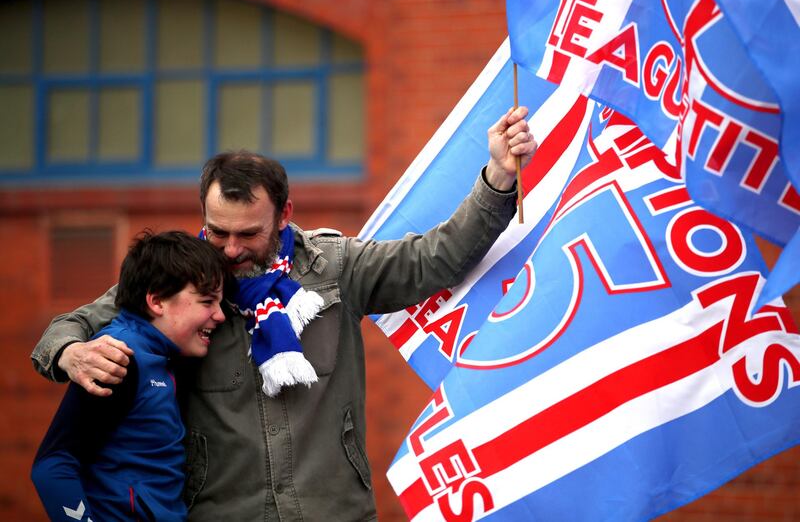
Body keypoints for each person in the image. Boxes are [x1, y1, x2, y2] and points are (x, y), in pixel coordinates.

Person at [31, 106, 538, 521]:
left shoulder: (337, 265)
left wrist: (497, 178)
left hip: (332, 512)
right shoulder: (182, 281)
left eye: (248, 234)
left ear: (285, 214)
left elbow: (436, 258)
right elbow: (64, 329)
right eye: (217, 231)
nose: (229, 251)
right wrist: (72, 354)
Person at [31, 230, 230, 521]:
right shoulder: (117, 359)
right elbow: (52, 466)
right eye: (207, 301)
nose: (220, 315)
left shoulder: (163, 354)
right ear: (157, 301)